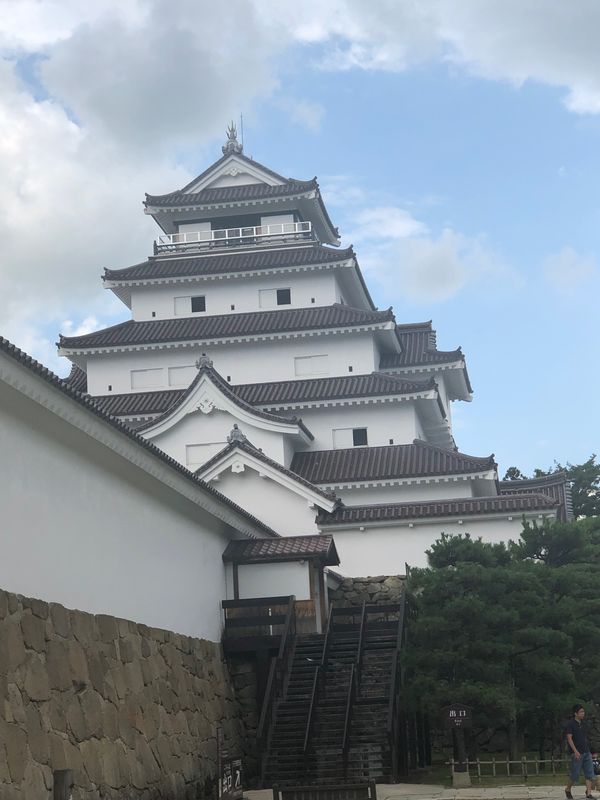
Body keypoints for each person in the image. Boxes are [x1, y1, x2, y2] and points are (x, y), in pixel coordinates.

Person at [566, 704, 596, 799]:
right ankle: (568, 789)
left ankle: (589, 793)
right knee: (575, 774)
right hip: (577, 753)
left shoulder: (584, 724)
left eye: (583, 712)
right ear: (576, 713)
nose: (583, 714)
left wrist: (592, 751)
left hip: (586, 752)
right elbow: (569, 738)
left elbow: (586, 739)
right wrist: (575, 751)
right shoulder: (570, 724)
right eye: (581, 712)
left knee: (589, 773)